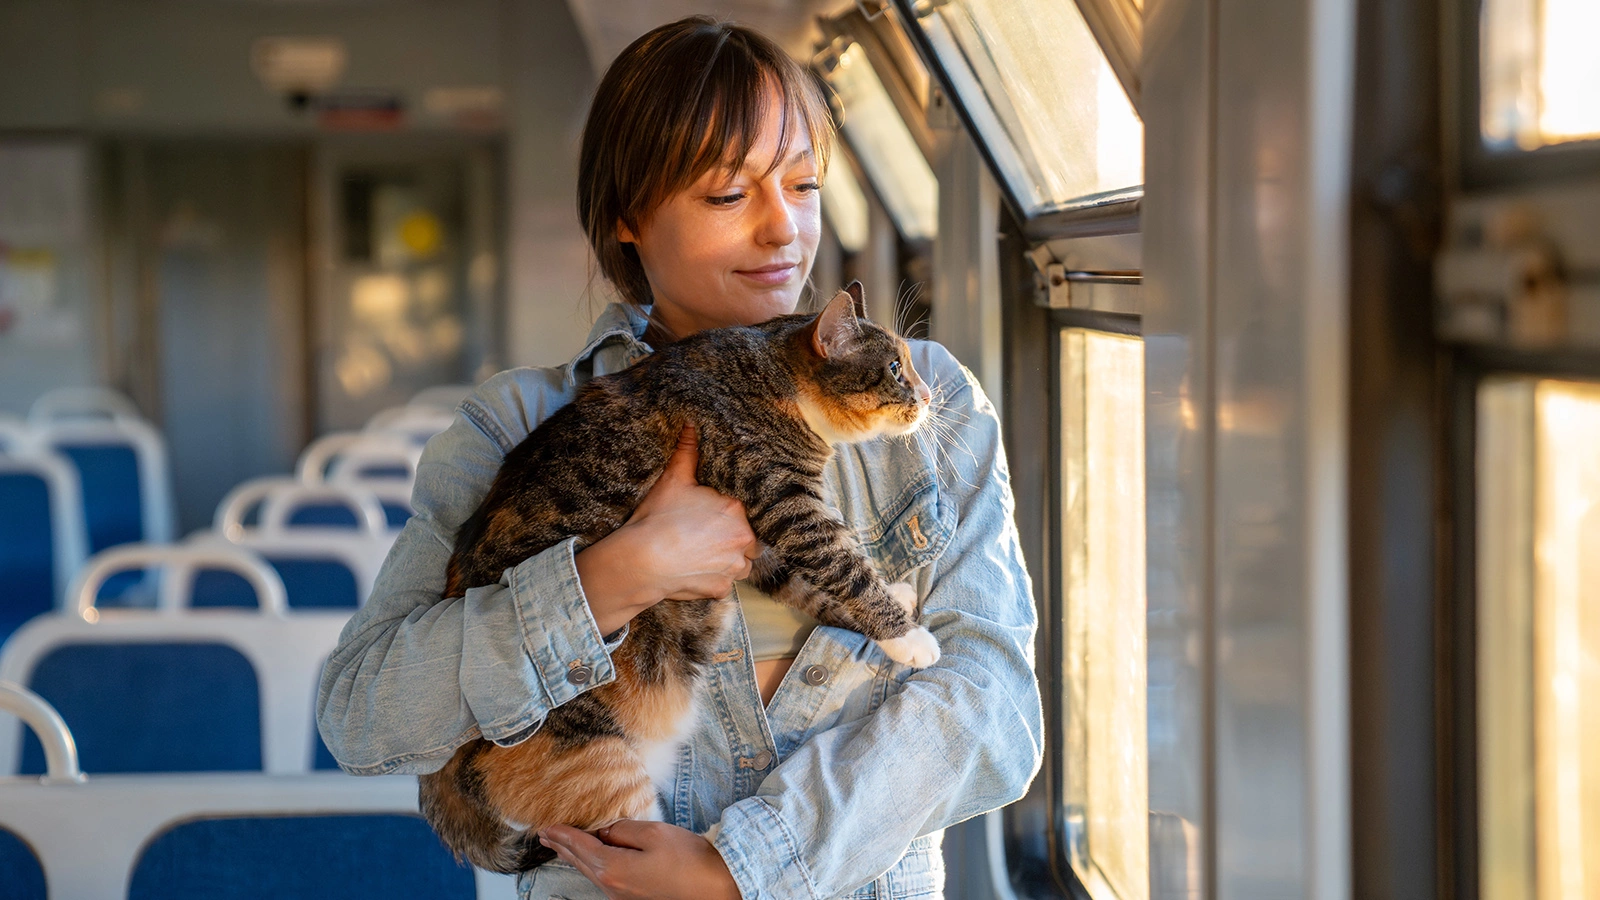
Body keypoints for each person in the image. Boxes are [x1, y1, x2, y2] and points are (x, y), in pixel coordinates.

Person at [316, 16, 1042, 900]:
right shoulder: (519, 420)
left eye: (805, 185)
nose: (783, 230)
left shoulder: (926, 401)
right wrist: (617, 574)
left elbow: (994, 705)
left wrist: (742, 868)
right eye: (729, 196)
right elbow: (361, 717)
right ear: (629, 214)